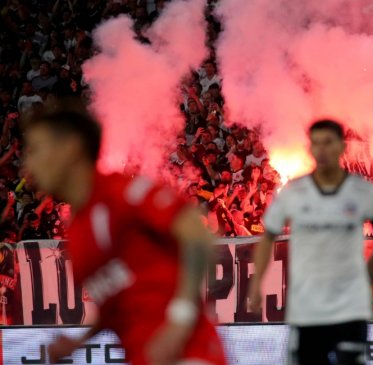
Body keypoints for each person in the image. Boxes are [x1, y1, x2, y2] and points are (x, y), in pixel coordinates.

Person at [22, 99, 226, 365]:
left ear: (71, 148)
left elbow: (199, 238)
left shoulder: (123, 193)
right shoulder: (77, 228)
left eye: (36, 150)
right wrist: (78, 341)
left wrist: (180, 318)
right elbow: (115, 304)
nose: (28, 166)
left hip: (188, 354)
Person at [249, 119, 373, 365]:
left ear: (341, 147)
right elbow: (268, 238)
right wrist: (256, 284)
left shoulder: (363, 192)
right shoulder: (292, 193)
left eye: (328, 142)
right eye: (316, 143)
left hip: (351, 306)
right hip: (307, 308)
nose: (322, 149)